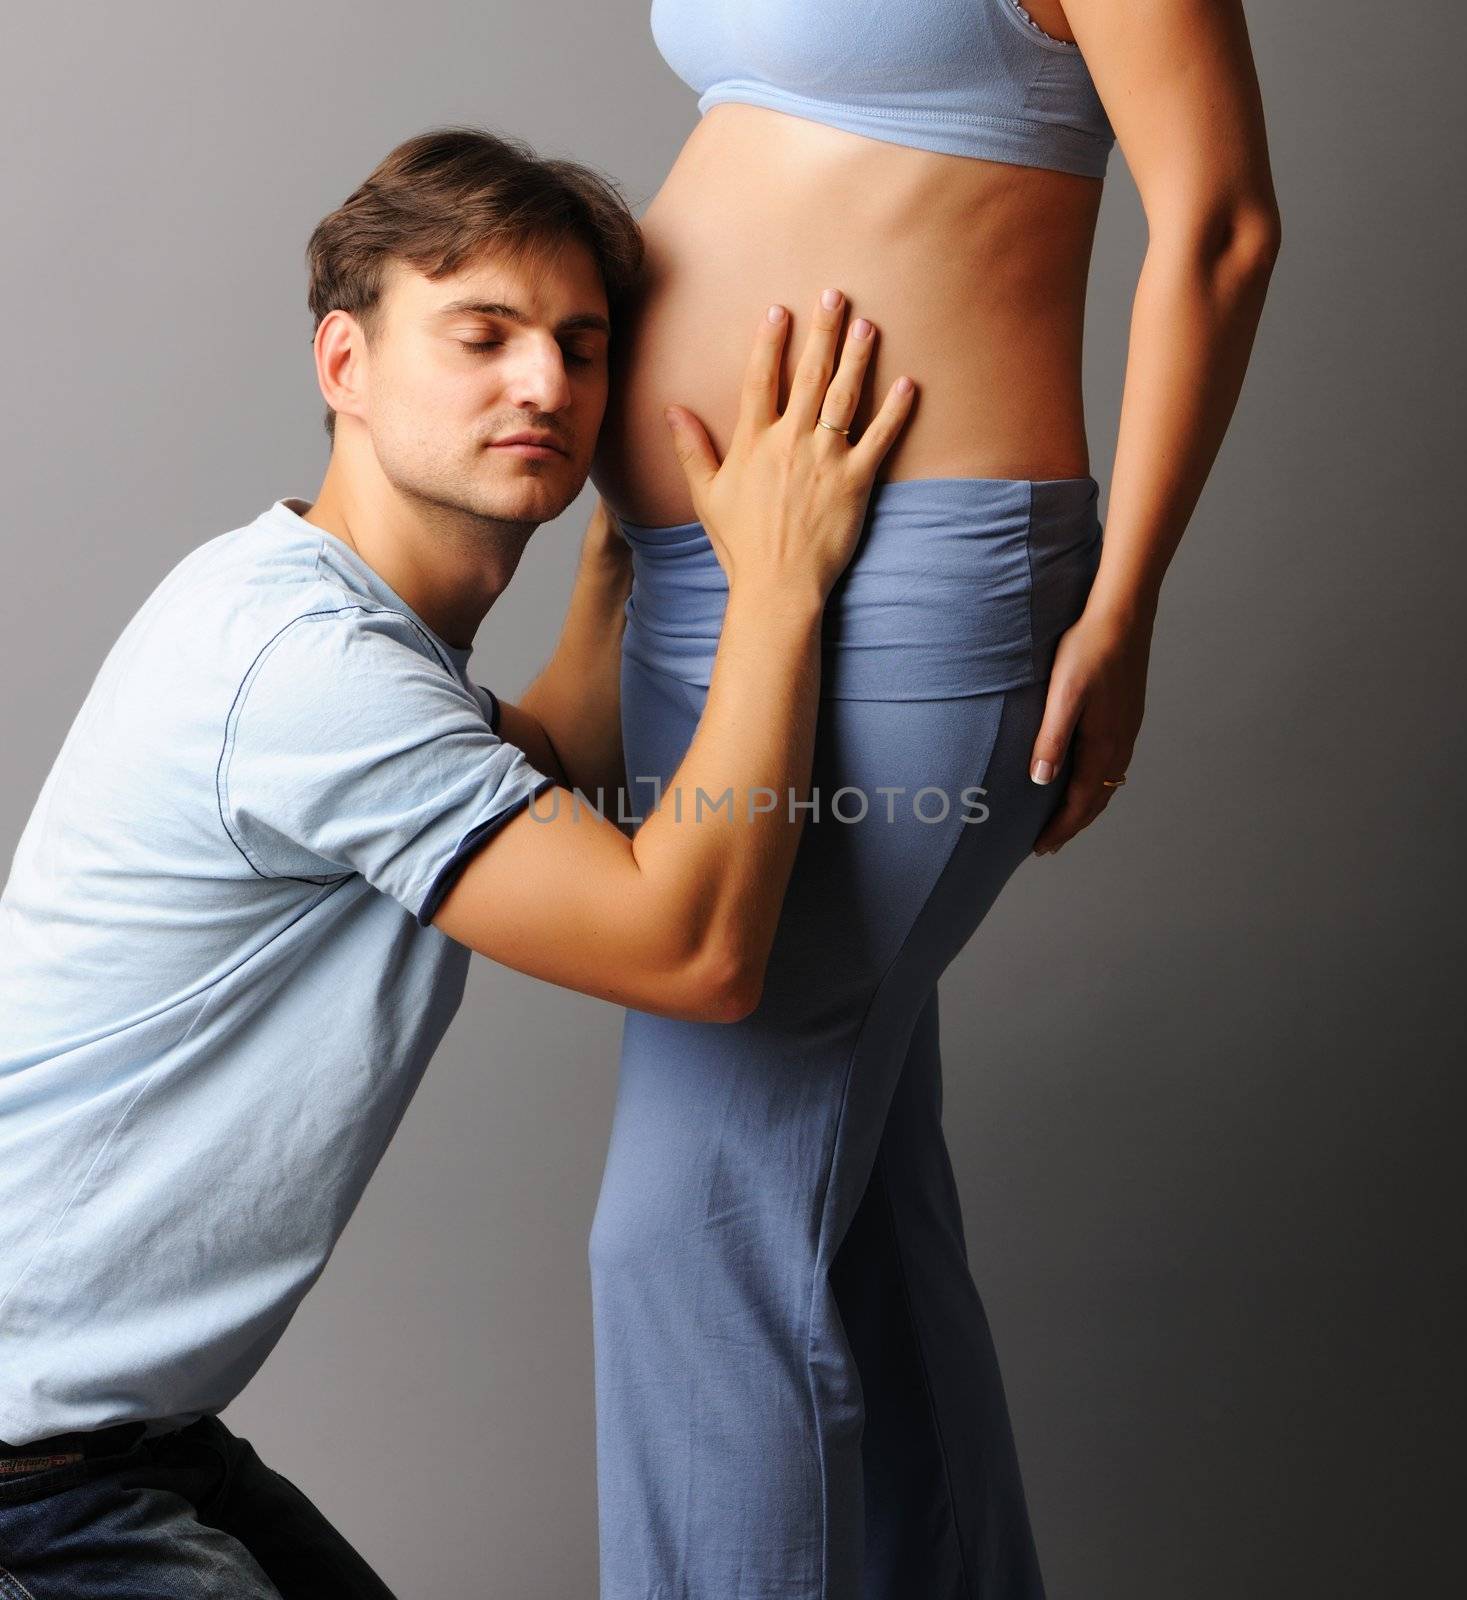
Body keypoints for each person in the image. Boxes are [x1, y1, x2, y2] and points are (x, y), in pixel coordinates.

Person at [0, 127, 916, 1596]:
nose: (545, 385)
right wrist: (781, 588)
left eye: (581, 345)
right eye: (479, 336)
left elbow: (538, 766)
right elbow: (691, 952)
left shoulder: (312, 611)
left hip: (122, 1439)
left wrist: (645, 548)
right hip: (31, 1481)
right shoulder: (301, 667)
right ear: (344, 364)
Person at [585, 1, 1282, 1595]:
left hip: (903, 580)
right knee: (861, 1221)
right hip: (706, 571)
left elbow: (1222, 223)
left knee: (693, 1235)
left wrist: (1124, 599)